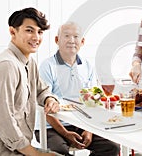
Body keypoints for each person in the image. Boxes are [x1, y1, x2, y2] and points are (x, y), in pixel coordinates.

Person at [34, 21, 120, 156]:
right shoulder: (47, 66)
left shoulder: (87, 66)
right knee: (59, 151)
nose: (72, 41)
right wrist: (65, 133)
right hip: (50, 126)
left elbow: (94, 101)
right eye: (66, 36)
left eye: (76, 37)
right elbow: (46, 106)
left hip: (81, 123)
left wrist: (89, 130)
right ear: (57, 40)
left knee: (112, 147)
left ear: (83, 41)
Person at [0, 7, 60, 156]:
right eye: (29, 30)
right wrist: (36, 154)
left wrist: (49, 99)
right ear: (13, 32)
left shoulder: (29, 62)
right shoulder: (6, 66)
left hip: (20, 148)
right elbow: (3, 121)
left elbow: (41, 89)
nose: (36, 37)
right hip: (1, 151)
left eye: (40, 32)